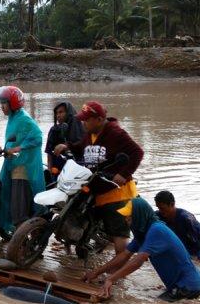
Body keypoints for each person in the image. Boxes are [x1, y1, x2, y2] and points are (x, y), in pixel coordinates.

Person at [53, 101, 143, 254]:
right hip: (96, 187)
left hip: (116, 192)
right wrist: (67, 146)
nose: (83, 122)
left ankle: (117, 273)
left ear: (100, 119)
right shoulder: (90, 134)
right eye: (82, 119)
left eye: (87, 119)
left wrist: (123, 173)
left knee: (119, 234)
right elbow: (81, 148)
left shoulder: (117, 133)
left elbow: (137, 152)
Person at [84, 197, 200, 301]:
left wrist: (110, 279)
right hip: (182, 285)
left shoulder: (156, 230)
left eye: (129, 216)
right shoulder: (143, 233)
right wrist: (96, 272)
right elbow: (124, 255)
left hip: (188, 287)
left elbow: (137, 262)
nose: (126, 219)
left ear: (139, 215)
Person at [0, 86, 45, 234]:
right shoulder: (13, 119)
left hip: (23, 170)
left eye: (4, 103)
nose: (2, 107)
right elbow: (14, 139)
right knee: (13, 206)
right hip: (15, 166)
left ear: (13, 104)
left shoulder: (24, 119)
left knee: (19, 209)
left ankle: (23, 246)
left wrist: (17, 149)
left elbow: (37, 138)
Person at [154, 190, 200, 260]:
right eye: (158, 208)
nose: (160, 211)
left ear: (172, 204)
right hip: (179, 251)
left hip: (195, 253)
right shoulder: (157, 217)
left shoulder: (186, 217)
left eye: (162, 208)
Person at [44, 101, 85, 182]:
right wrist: (49, 171)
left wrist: (66, 146)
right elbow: (49, 153)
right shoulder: (53, 130)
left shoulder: (80, 128)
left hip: (76, 170)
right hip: (57, 170)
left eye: (61, 112)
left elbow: (83, 148)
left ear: (69, 113)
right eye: (56, 113)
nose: (58, 115)